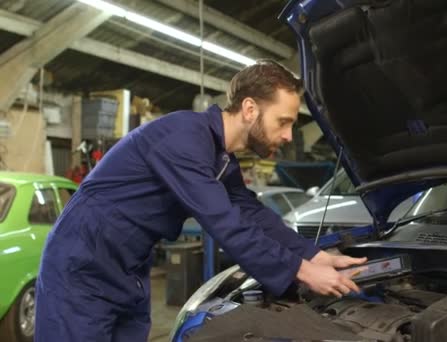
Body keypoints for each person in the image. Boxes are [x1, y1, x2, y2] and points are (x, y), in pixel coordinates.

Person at [34, 60, 366, 342]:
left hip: (128, 267)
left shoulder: (220, 158)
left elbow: (251, 214)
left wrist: (315, 254)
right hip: (82, 264)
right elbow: (226, 224)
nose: (288, 136)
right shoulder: (183, 139)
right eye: (284, 122)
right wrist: (302, 271)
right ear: (250, 109)